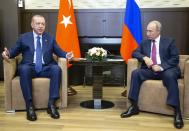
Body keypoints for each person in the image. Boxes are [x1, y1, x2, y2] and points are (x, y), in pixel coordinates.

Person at [2, 15, 73, 121]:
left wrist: (67, 55)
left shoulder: (50, 38)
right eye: (38, 23)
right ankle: (29, 106)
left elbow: (59, 51)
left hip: (46, 67)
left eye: (43, 24)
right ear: (32, 25)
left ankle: (51, 105)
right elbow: (14, 51)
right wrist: (7, 53)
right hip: (29, 67)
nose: (40, 26)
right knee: (24, 69)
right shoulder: (24, 37)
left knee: (56, 69)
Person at [120, 20, 184, 129]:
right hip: (150, 70)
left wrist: (161, 66)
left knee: (169, 75)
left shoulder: (169, 41)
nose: (147, 33)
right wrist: (144, 58)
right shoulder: (145, 43)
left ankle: (177, 111)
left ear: (158, 31)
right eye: (147, 31)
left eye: (150, 31)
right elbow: (134, 52)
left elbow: (175, 58)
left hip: (166, 70)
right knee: (136, 73)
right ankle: (134, 106)